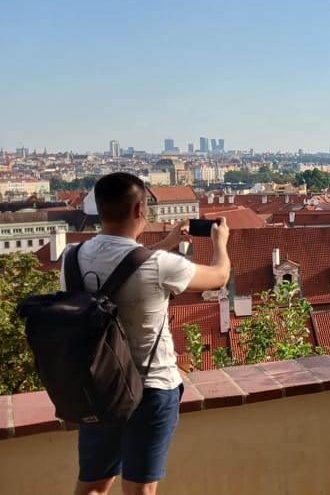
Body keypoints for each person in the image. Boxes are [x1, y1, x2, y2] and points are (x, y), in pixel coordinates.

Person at [65, 172, 231, 495]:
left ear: (100, 209)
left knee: (93, 487)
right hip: (151, 387)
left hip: (98, 386)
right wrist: (219, 243)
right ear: (141, 210)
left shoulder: (72, 258)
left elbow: (124, 264)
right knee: (140, 490)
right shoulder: (159, 266)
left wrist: (164, 244)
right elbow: (219, 276)